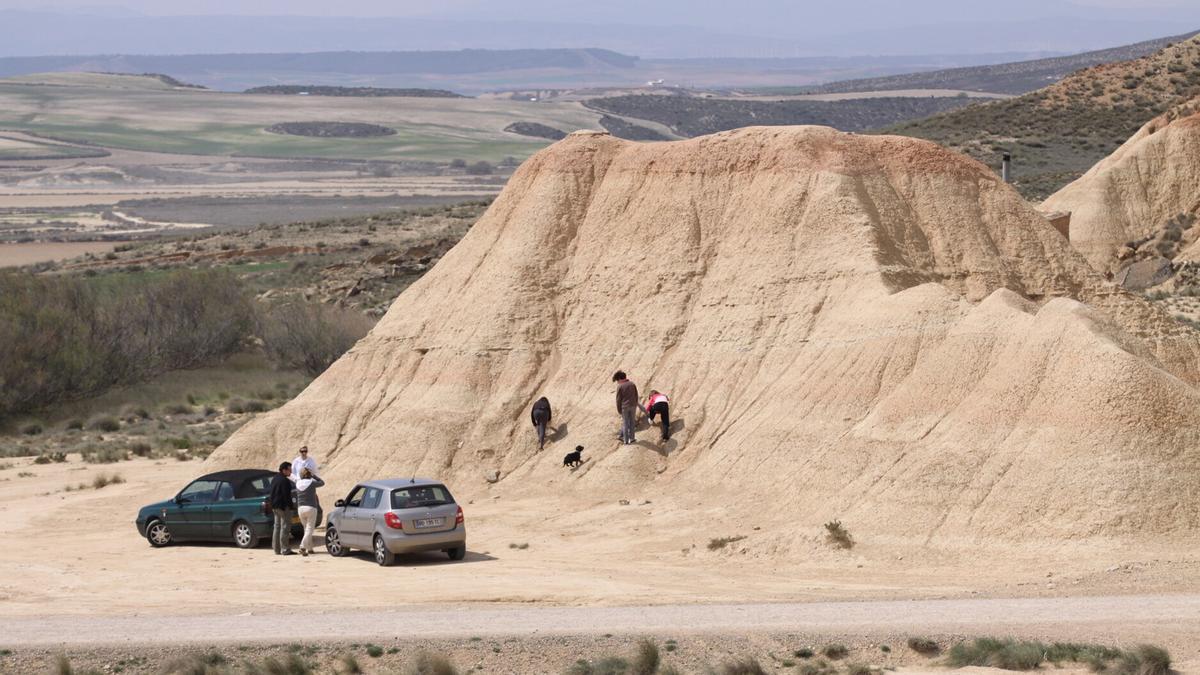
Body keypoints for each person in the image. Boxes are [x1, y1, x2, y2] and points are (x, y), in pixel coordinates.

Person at [291, 467, 325, 557]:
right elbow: (322, 483)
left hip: (300, 509)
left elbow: (294, 478)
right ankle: (302, 546)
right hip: (311, 507)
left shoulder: (297, 483)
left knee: (306, 529)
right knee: (309, 529)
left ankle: (310, 549)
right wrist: (314, 476)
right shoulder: (311, 483)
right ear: (309, 475)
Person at [269, 461, 295, 555]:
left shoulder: (275, 478)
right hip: (283, 507)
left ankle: (276, 549)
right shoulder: (284, 481)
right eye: (289, 470)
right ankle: (285, 549)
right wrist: (291, 507)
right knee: (285, 527)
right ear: (284, 470)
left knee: (277, 527)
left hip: (275, 506)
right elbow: (286, 496)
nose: (290, 472)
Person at [613, 370, 639, 445]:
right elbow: (636, 395)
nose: (617, 382)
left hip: (625, 407)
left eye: (617, 380)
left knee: (625, 423)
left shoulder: (620, 386)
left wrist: (619, 409)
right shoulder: (632, 384)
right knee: (632, 422)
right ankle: (632, 438)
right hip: (633, 405)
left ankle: (626, 440)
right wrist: (635, 403)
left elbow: (618, 400)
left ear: (620, 379)